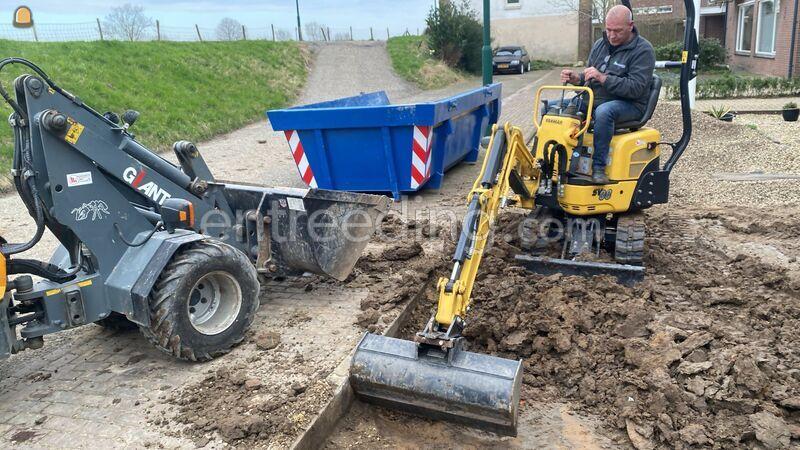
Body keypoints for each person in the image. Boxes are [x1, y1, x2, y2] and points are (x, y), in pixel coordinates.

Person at [557, 5, 655, 184]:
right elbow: (589, 78)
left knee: (604, 112)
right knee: (554, 108)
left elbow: (636, 88)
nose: (611, 35)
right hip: (596, 100)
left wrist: (603, 78)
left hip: (629, 105)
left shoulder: (643, 50)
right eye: (608, 30)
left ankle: (599, 169)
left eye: (617, 31)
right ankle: (553, 163)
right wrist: (576, 78)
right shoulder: (600, 45)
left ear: (630, 26)